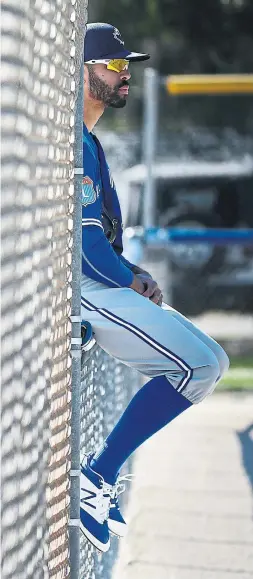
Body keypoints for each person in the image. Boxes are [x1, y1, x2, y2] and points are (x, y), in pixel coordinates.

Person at [80, 22, 229, 553]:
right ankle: (95, 477)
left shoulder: (89, 141)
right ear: (82, 72)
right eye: (115, 66)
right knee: (202, 365)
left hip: (103, 287)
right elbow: (87, 249)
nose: (125, 76)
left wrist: (132, 276)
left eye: (127, 67)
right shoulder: (73, 142)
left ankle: (98, 475)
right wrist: (134, 279)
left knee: (206, 362)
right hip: (91, 292)